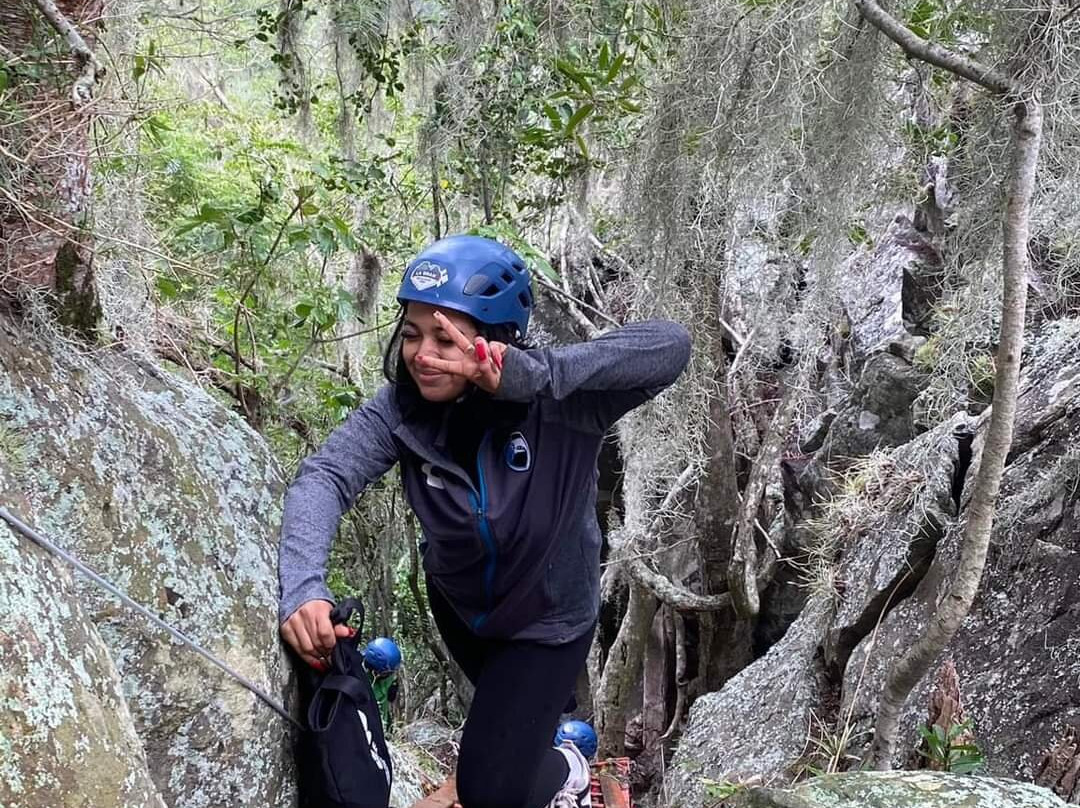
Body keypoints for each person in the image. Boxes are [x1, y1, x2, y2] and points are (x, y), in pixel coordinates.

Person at [278, 234, 691, 808]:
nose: (423, 354)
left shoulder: (567, 403)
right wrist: (304, 589)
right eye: (413, 333)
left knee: (489, 789)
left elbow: (671, 346)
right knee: (506, 738)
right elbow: (325, 477)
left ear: (495, 339)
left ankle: (568, 768)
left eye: (445, 337)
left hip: (547, 623)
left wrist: (538, 374)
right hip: (463, 610)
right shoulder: (401, 412)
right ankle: (541, 742)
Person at [363, 637, 402, 732]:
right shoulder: (361, 682)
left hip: (384, 721)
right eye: (389, 672)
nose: (392, 674)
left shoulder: (387, 675)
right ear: (377, 672)